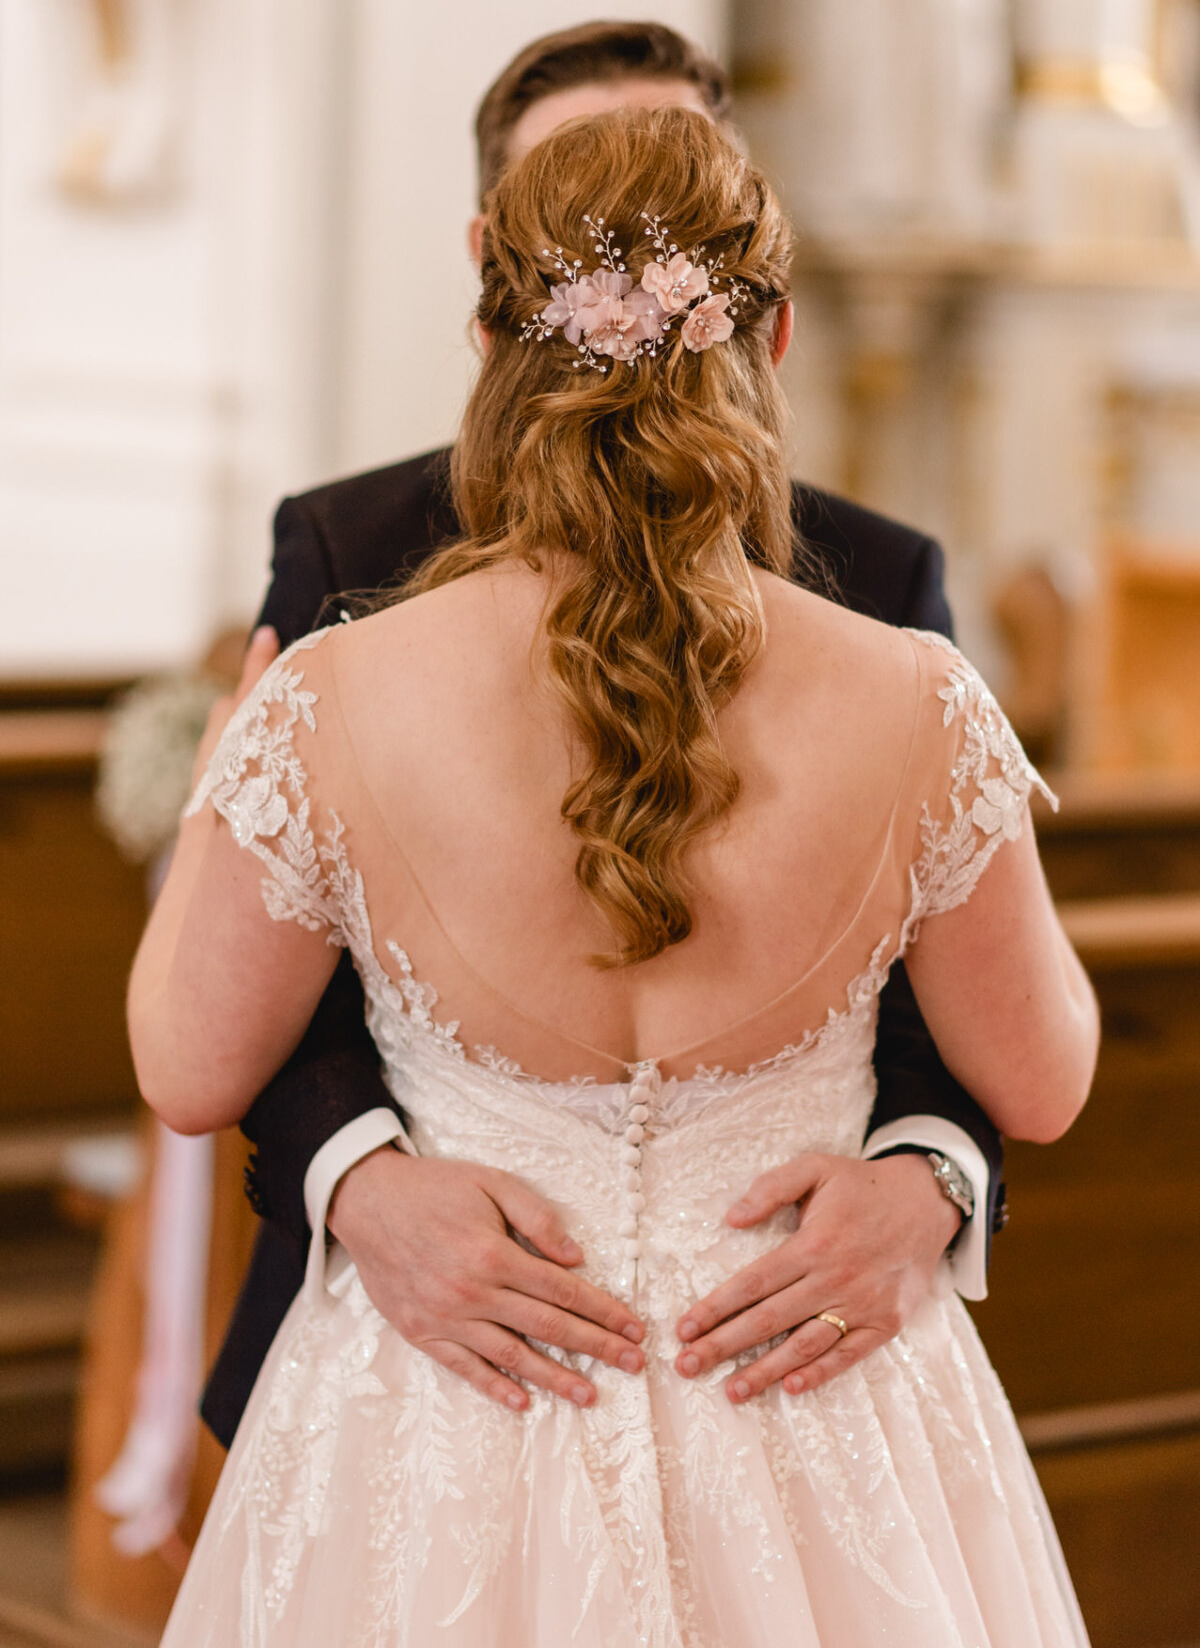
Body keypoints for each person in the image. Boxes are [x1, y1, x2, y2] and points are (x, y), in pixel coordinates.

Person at [131, 103, 1097, 1644]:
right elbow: (1039, 1080)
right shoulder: (915, 698)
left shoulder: (334, 694)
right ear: (771, 340)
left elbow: (187, 1065)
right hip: (810, 1404)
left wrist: (213, 791)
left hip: (447, 1412)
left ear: (494, 340)